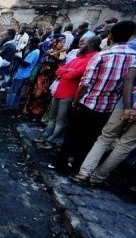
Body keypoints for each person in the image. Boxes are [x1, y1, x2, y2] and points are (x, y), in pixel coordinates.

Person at [52, 21, 136, 173]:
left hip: (89, 103)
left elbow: (84, 84)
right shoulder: (133, 57)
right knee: (91, 139)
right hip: (109, 108)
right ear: (131, 36)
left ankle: (61, 165)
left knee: (72, 136)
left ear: (110, 36)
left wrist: (75, 102)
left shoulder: (102, 56)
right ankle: (78, 165)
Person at [73, 61, 136, 186]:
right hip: (128, 101)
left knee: (106, 137)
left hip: (128, 100)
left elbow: (129, 78)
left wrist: (128, 106)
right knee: (125, 146)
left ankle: (84, 172)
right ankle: (97, 178)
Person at [34, 36, 101, 149]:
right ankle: (45, 137)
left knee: (60, 121)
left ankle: (51, 142)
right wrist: (66, 71)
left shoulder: (91, 60)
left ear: (91, 45)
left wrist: (66, 71)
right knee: (52, 117)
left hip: (69, 94)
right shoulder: (78, 58)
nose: (81, 45)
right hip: (60, 91)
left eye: (84, 43)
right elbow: (58, 71)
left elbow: (72, 75)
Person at [23, 35, 66, 116]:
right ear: (55, 43)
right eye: (60, 42)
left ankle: (36, 111)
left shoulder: (62, 54)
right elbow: (44, 60)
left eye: (64, 43)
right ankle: (28, 109)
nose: (62, 44)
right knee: (34, 92)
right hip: (40, 75)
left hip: (48, 78)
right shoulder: (50, 51)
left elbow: (59, 64)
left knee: (42, 94)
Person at [5, 37, 40, 110]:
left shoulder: (34, 52)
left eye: (30, 42)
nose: (29, 44)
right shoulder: (35, 51)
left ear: (34, 43)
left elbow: (26, 64)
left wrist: (18, 58)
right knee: (18, 92)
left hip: (21, 74)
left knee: (13, 91)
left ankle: (8, 106)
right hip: (26, 74)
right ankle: (14, 106)